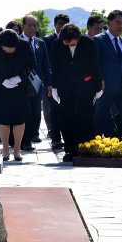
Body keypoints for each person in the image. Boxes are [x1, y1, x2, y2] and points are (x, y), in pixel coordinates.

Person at [50, 23, 102, 162]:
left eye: (71, 42)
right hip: (65, 87)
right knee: (66, 119)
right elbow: (55, 66)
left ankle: (86, 148)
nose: (68, 45)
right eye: (65, 43)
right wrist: (54, 86)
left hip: (85, 86)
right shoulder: (57, 44)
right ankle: (70, 150)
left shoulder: (88, 43)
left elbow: (95, 65)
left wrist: (97, 87)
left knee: (85, 118)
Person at [0, 29, 34, 161]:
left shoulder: (24, 45)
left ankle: (17, 149)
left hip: (20, 87)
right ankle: (5, 149)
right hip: (1, 87)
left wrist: (19, 77)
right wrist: (2, 81)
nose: (9, 51)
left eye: (12, 48)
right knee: (2, 118)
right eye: (6, 49)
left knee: (19, 118)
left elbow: (31, 64)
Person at [93, 10, 122, 139]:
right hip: (105, 86)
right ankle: (92, 144)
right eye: (117, 22)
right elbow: (95, 64)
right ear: (109, 22)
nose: (121, 26)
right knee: (100, 116)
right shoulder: (98, 40)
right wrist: (98, 81)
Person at [21, 14, 51, 151]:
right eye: (30, 25)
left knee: (34, 111)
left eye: (35, 25)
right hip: (21, 84)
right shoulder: (17, 41)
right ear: (23, 26)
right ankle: (24, 140)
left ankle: (32, 135)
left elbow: (45, 65)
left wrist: (48, 83)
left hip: (37, 83)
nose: (33, 28)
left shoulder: (40, 43)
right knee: (24, 110)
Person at [42, 13, 69, 149]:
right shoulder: (47, 40)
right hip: (53, 81)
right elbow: (46, 63)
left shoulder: (71, 39)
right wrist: (49, 83)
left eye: (64, 24)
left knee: (67, 110)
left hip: (68, 81)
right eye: (59, 24)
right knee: (54, 110)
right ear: (55, 25)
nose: (62, 27)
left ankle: (68, 137)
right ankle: (56, 138)